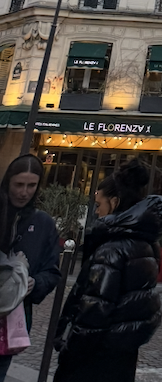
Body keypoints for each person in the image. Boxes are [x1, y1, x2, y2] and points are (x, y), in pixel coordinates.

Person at [53, 159, 162, 382]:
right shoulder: (146, 243)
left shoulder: (112, 251)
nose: (96, 212)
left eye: (98, 205)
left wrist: (68, 354)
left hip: (95, 361)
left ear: (114, 202)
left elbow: (94, 313)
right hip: (121, 355)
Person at [0, 155, 60, 380]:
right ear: (8, 182)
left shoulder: (43, 224)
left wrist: (36, 283)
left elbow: (52, 271)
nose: (24, 192)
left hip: (11, 320)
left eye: (31, 186)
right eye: (18, 184)